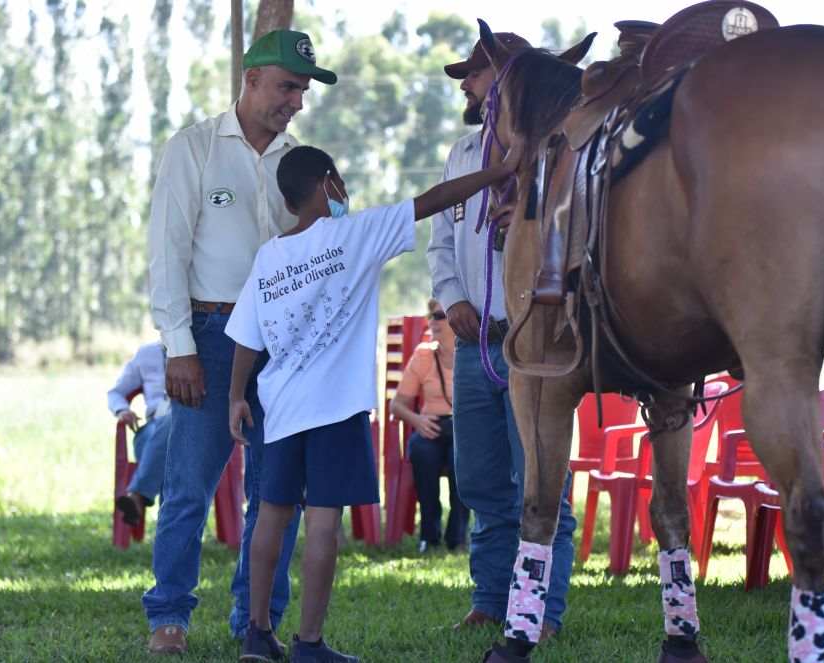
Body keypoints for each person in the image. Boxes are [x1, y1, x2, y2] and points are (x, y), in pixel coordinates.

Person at [227, 144, 517, 662]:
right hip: (335, 409)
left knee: (270, 514)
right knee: (321, 520)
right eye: (338, 182)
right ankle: (309, 644)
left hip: (281, 406)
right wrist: (500, 171)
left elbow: (247, 336)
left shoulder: (269, 256)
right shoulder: (354, 233)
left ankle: (257, 634)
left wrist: (234, 397)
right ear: (328, 184)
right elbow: (434, 199)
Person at [143, 29, 336, 656]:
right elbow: (166, 253)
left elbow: (330, 242)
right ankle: (169, 616)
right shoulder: (192, 149)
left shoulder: (300, 160)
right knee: (188, 488)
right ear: (250, 79)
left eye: (303, 90)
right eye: (288, 86)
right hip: (210, 334)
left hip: (283, 345)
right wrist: (178, 347)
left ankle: (256, 620)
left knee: (274, 491)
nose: (296, 102)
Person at [427, 34, 578, 643]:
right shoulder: (462, 154)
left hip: (535, 341)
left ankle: (541, 610)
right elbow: (440, 241)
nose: (465, 83)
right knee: (481, 482)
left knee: (541, 485)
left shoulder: (559, 151)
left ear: (511, 78)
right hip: (474, 340)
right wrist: (454, 298)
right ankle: (491, 600)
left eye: (476, 72)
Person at [389, 298, 470, 553]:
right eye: (431, 316)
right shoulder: (423, 355)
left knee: (462, 457)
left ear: (455, 320)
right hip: (431, 426)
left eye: (439, 316)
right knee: (421, 452)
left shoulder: (472, 354)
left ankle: (457, 537)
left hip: (464, 429)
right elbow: (396, 406)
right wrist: (418, 421)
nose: (432, 322)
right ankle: (429, 535)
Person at [108, 340, 171, 526]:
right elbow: (116, 393)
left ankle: (137, 496)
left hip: (188, 428)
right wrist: (122, 410)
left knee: (174, 422)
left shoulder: (200, 349)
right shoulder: (146, 353)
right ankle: (144, 500)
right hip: (151, 429)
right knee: (163, 439)